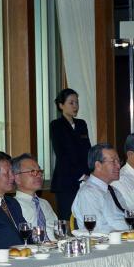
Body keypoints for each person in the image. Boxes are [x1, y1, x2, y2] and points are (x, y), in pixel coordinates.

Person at [50, 88, 91, 221]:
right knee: (68, 218)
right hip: (66, 179)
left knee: (85, 217)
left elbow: (87, 149)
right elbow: (62, 154)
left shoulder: (81, 124)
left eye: (77, 103)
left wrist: (90, 173)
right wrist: (81, 174)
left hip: (85, 178)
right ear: (61, 105)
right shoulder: (56, 125)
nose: (75, 106)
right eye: (71, 103)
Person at [72, 143, 129, 234]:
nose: (118, 166)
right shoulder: (88, 193)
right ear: (98, 165)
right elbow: (97, 230)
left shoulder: (114, 191)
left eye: (119, 161)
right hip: (109, 243)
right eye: (113, 161)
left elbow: (127, 216)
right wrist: (126, 234)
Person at [12, 153, 57, 241]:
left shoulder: (44, 203)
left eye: (40, 171)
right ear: (17, 178)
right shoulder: (13, 206)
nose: (39, 175)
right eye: (32, 172)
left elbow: (57, 230)